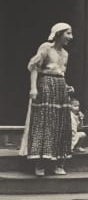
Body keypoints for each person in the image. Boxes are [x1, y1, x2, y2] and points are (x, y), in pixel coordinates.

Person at [20, 23, 74, 176]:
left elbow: (61, 73)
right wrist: (33, 88)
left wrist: (67, 86)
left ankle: (57, 163)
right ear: (58, 34)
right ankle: (40, 163)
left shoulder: (65, 54)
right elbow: (35, 68)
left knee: (60, 123)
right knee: (45, 122)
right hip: (45, 86)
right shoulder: (46, 48)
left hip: (60, 88)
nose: (71, 37)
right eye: (68, 33)